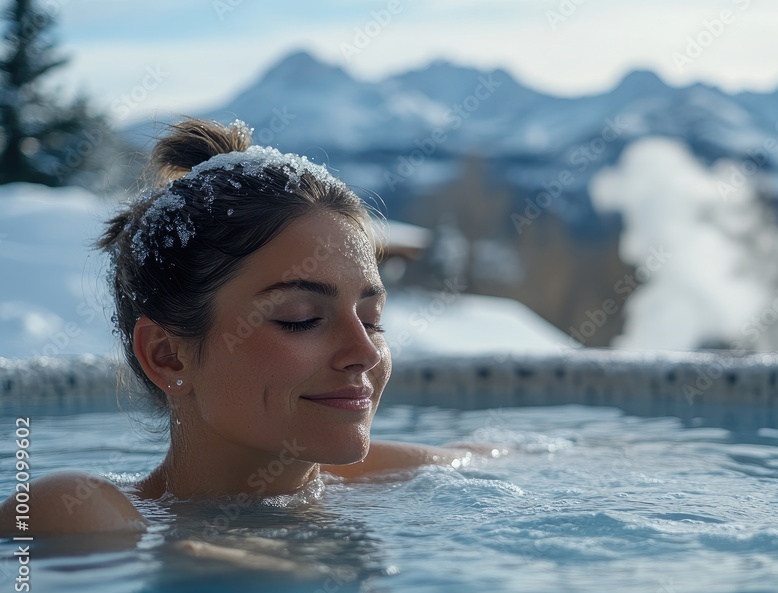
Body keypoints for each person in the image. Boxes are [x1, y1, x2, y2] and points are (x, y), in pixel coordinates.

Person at [0, 118, 485, 537]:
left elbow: (506, 453)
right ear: (167, 355)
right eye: (302, 319)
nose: (366, 352)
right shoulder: (76, 512)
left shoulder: (382, 477)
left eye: (371, 320)